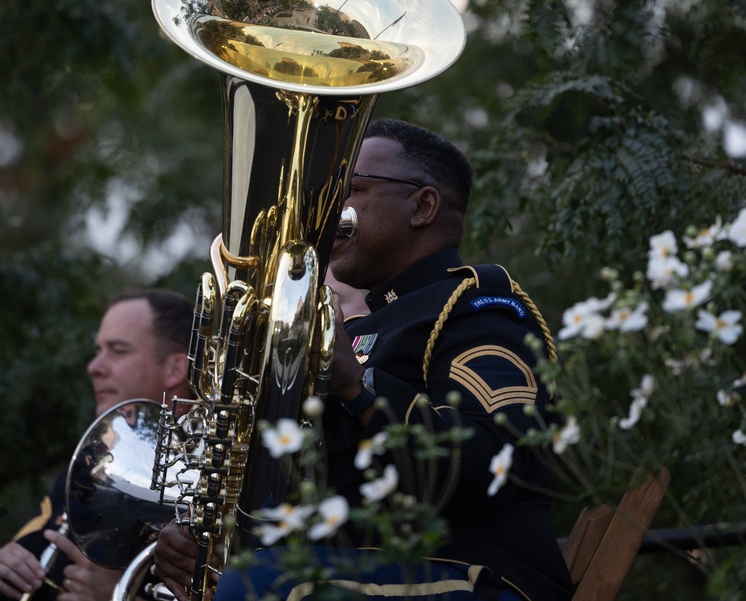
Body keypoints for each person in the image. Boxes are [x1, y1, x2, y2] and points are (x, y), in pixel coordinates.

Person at [154, 119, 574, 601]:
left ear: (423, 206)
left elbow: (500, 462)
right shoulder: (364, 326)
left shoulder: (481, 307)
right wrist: (206, 533)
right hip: (357, 568)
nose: (330, 210)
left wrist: (360, 389)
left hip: (478, 575)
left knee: (260, 584)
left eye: (351, 190)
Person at [0, 288, 195, 601]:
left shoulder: (222, 478)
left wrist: (117, 595)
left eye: (118, 351)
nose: (94, 366)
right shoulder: (93, 464)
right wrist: (8, 562)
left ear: (176, 369)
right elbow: (30, 554)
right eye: (98, 350)